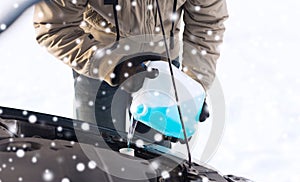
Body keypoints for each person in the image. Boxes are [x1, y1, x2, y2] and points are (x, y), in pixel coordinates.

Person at [33, 0, 228, 145]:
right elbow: (54, 27)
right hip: (98, 67)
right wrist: (112, 66)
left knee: (156, 160)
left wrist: (193, 85)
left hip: (162, 67)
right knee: (97, 153)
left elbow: (207, 24)